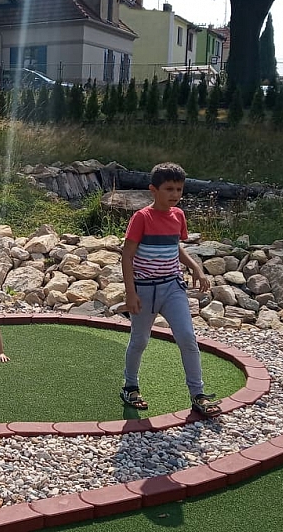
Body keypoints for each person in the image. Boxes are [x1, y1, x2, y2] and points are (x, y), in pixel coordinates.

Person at [120, 162, 220, 418]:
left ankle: (197, 394)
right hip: (144, 289)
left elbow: (175, 245)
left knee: (187, 337)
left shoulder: (178, 216)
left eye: (179, 189)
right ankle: (130, 386)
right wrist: (130, 293)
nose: (175, 194)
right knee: (140, 340)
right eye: (169, 189)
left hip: (172, 287)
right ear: (153, 190)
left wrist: (195, 267)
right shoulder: (142, 217)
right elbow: (127, 255)